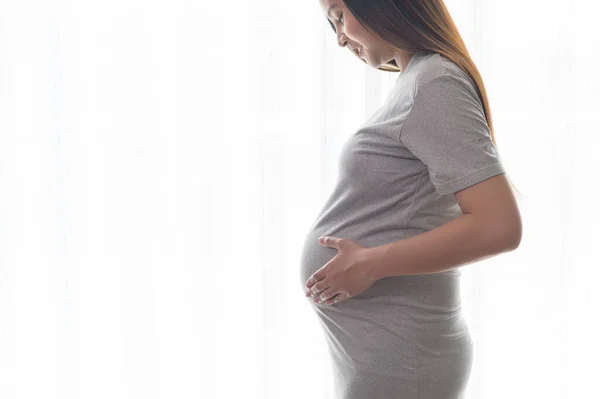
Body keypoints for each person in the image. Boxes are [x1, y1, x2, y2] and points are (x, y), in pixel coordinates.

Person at [299, 1, 523, 398]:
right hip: (389, 352)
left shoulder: (435, 82)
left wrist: (369, 264)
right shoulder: (417, 79)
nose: (338, 39)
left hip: (402, 356)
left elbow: (498, 226)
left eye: (339, 16)